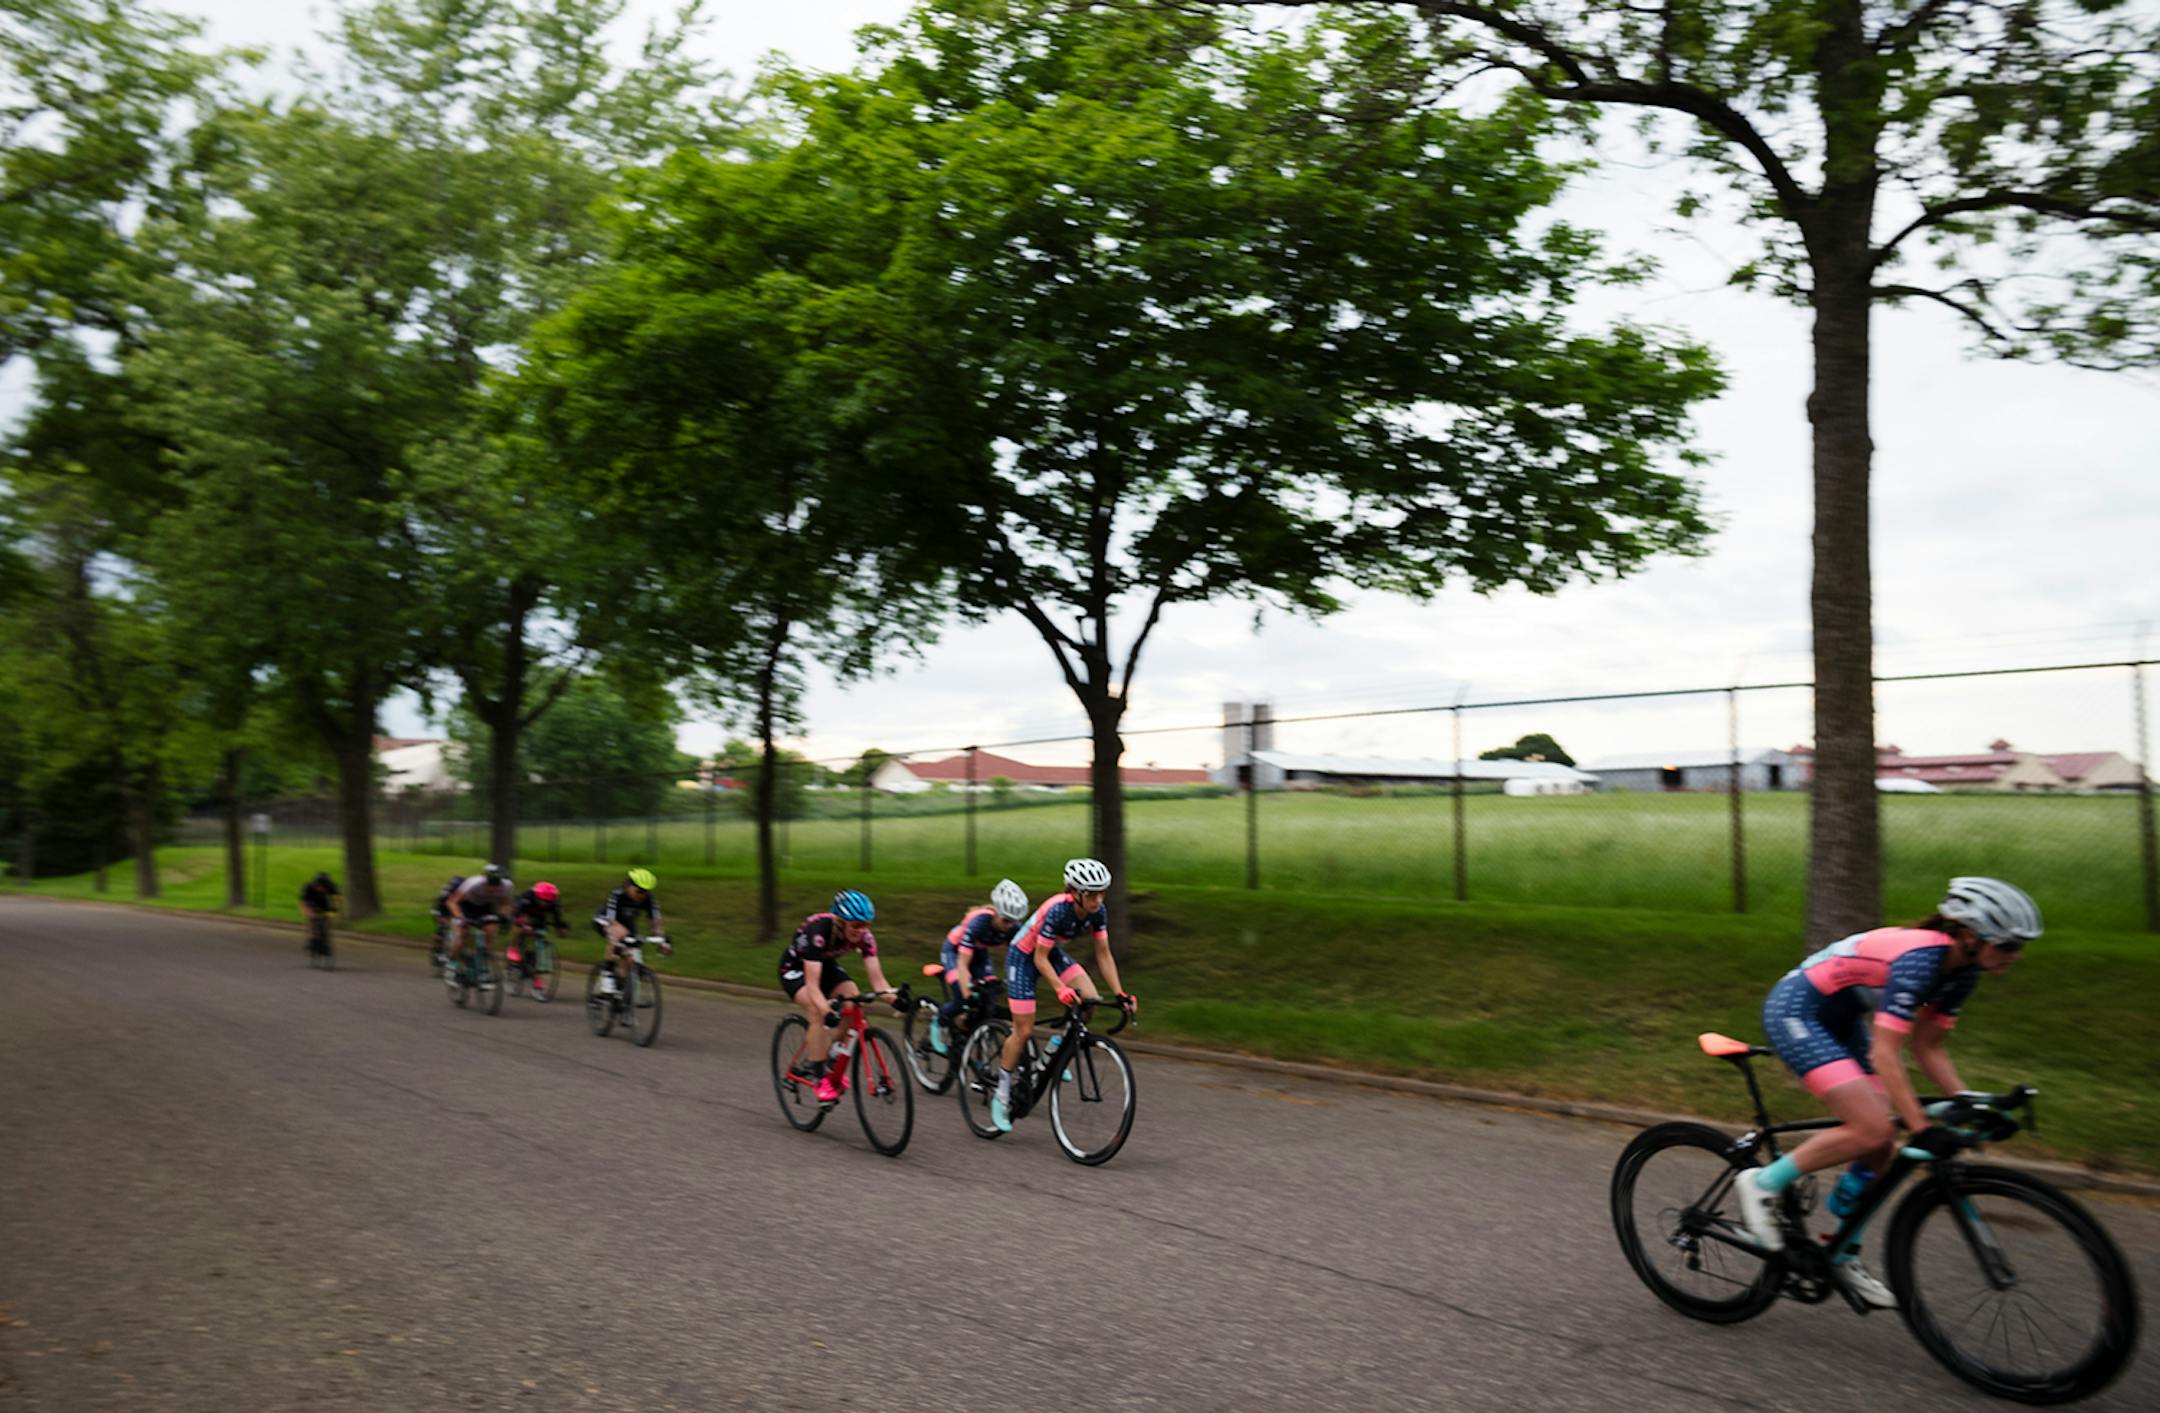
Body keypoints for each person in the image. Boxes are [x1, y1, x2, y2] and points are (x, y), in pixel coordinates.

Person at [1736, 876, 2043, 1309]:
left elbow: (1928, 1047)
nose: (2015, 955)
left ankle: (1839, 1249)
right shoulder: (1922, 960)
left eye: (2020, 947)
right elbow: (1885, 1054)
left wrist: (1970, 1102)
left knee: (1880, 1144)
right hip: (1797, 1012)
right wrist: (1922, 1128)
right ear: (1969, 935)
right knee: (1873, 1127)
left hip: (1842, 1020)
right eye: (2008, 945)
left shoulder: (1964, 972)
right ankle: (1761, 1184)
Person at [990, 858, 1135, 1133]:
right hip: (1023, 956)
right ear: (1074, 892)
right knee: (1023, 1031)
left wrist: (1120, 994)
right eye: (1091, 894)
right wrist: (1060, 988)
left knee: (1090, 1000)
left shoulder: (1098, 912)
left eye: (1102, 893)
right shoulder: (1057, 910)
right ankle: (1002, 1093)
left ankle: (1056, 1048)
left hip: (1050, 953)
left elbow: (1104, 954)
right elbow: (1039, 958)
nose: (1098, 899)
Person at [779, 889, 899, 1104]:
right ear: (839, 922)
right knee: (817, 1011)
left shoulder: (865, 938)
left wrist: (897, 1000)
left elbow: (879, 981)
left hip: (825, 966)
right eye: (855, 925)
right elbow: (813, 986)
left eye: (865, 925)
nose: (861, 931)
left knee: (853, 999)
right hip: (795, 970)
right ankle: (820, 1078)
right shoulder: (818, 932)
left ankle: (831, 1056)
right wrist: (826, 1011)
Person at [928, 879, 1029, 1057]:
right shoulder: (979, 922)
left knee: (990, 998)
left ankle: (969, 1030)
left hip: (979, 954)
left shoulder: (1014, 928)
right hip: (955, 952)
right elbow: (962, 962)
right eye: (1006, 920)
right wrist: (967, 989)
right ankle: (939, 1020)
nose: (1009, 926)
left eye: (1013, 922)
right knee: (963, 996)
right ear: (996, 913)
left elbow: (1017, 959)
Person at [592, 868, 671, 1000]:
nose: (642, 895)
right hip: (605, 919)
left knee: (630, 957)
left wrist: (661, 939)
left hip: (627, 923)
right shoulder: (617, 895)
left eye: (646, 892)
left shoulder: (648, 899)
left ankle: (620, 991)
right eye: (639, 891)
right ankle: (607, 975)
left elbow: (655, 922)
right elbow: (612, 920)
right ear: (629, 886)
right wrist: (619, 935)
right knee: (618, 936)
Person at [445, 864, 516, 979]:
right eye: (490, 884)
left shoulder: (506, 886)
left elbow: (504, 903)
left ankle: (484, 965)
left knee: (490, 932)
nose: (493, 888)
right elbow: (451, 902)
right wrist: (460, 917)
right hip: (466, 907)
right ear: (485, 879)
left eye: (497, 884)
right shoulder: (473, 883)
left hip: (485, 908)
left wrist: (503, 916)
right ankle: (453, 962)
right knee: (463, 935)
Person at [508, 880, 567, 977]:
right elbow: (515, 913)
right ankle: (513, 948)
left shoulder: (554, 903)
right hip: (524, 913)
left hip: (539, 917)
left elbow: (557, 918)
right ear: (536, 896)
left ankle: (532, 960)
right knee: (520, 928)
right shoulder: (527, 898)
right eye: (543, 901)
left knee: (540, 935)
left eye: (548, 902)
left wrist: (561, 928)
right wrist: (522, 923)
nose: (545, 904)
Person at [429, 874, 466, 969]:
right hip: (443, 909)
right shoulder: (446, 892)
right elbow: (438, 906)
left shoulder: (465, 892)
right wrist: (440, 918)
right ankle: (438, 951)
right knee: (443, 926)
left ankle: (457, 951)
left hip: (456, 909)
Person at [299, 871, 340, 952]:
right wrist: (309, 914)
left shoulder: (331, 886)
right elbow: (302, 904)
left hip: (324, 903)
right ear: (316, 884)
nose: (322, 889)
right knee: (310, 920)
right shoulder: (308, 887)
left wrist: (334, 913)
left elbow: (338, 900)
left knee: (327, 921)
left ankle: (326, 942)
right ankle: (310, 939)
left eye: (324, 888)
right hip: (311, 902)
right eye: (320, 887)